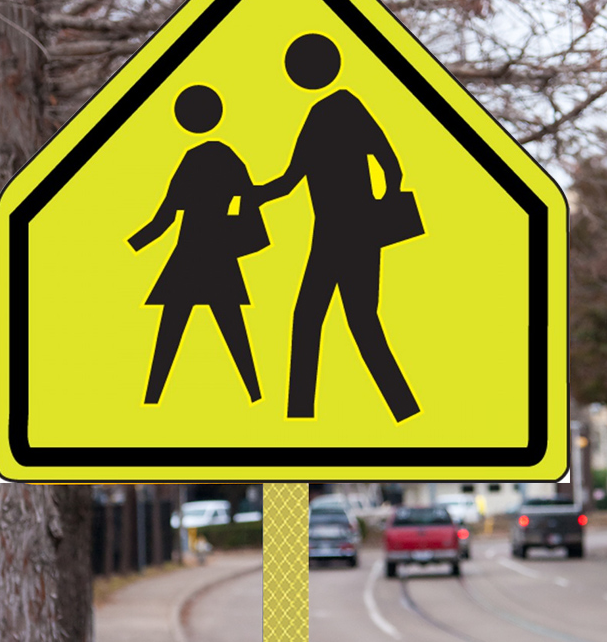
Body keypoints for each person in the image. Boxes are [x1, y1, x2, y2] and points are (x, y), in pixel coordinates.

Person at [259, 33, 420, 422]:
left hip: (344, 234)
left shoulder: (336, 109)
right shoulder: (333, 111)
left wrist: (251, 195)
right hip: (343, 235)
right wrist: (249, 195)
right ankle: (399, 409)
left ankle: (303, 414)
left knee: (327, 319)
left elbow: (288, 181)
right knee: (345, 320)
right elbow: (390, 167)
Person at [128, 84, 269, 405]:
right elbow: (249, 204)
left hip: (190, 255)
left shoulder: (192, 160)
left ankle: (151, 400)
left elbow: (164, 218)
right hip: (219, 254)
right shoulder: (230, 159)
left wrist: (132, 246)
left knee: (169, 335)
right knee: (235, 332)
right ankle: (256, 397)